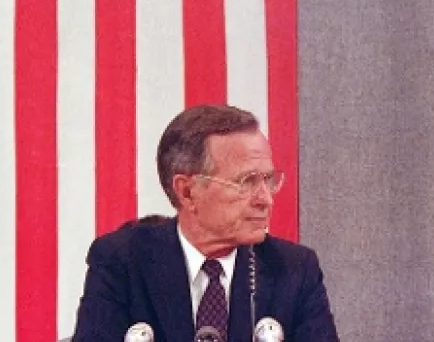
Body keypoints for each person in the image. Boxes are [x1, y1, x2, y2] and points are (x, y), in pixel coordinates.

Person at [72, 104, 339, 342]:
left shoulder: (294, 269)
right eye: (247, 182)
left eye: (268, 180)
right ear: (187, 192)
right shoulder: (122, 262)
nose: (265, 199)